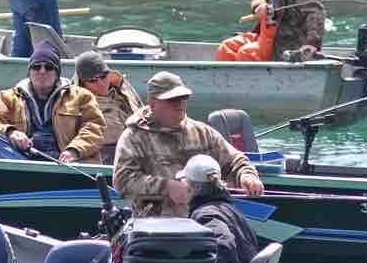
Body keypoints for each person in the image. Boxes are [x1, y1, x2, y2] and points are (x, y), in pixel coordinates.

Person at [113, 71, 264, 217]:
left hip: (204, 221)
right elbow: (122, 180)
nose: (179, 104)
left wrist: (247, 176)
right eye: (171, 99)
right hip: (155, 227)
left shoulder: (203, 132)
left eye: (183, 97)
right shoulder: (134, 137)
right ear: (152, 104)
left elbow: (235, 160)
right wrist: (166, 187)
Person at [0, 40, 106, 164]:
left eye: (49, 67)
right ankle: (27, 173)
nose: (42, 71)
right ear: (29, 72)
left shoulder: (82, 96)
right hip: (23, 158)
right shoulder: (8, 97)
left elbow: (95, 127)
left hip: (66, 162)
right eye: (36, 66)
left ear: (57, 73)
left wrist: (74, 150)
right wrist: (11, 132)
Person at [179, 155, 259, 263]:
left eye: (183, 181)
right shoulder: (229, 208)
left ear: (192, 188)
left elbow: (224, 247)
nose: (181, 186)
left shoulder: (206, 215)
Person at [72, 50, 142, 164]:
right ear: (83, 83)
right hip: (104, 157)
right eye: (92, 80)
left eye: (104, 76)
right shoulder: (76, 102)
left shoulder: (123, 90)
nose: (101, 83)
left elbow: (140, 111)